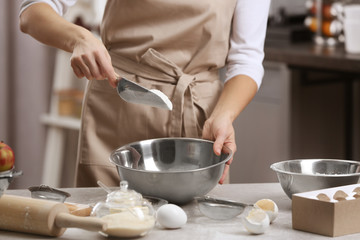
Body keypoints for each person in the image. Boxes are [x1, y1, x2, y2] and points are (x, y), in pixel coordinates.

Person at [19, 0, 271, 187]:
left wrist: (223, 115)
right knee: (104, 225)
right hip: (118, 111)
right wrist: (78, 38)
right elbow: (32, 12)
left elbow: (246, 59)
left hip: (200, 123)